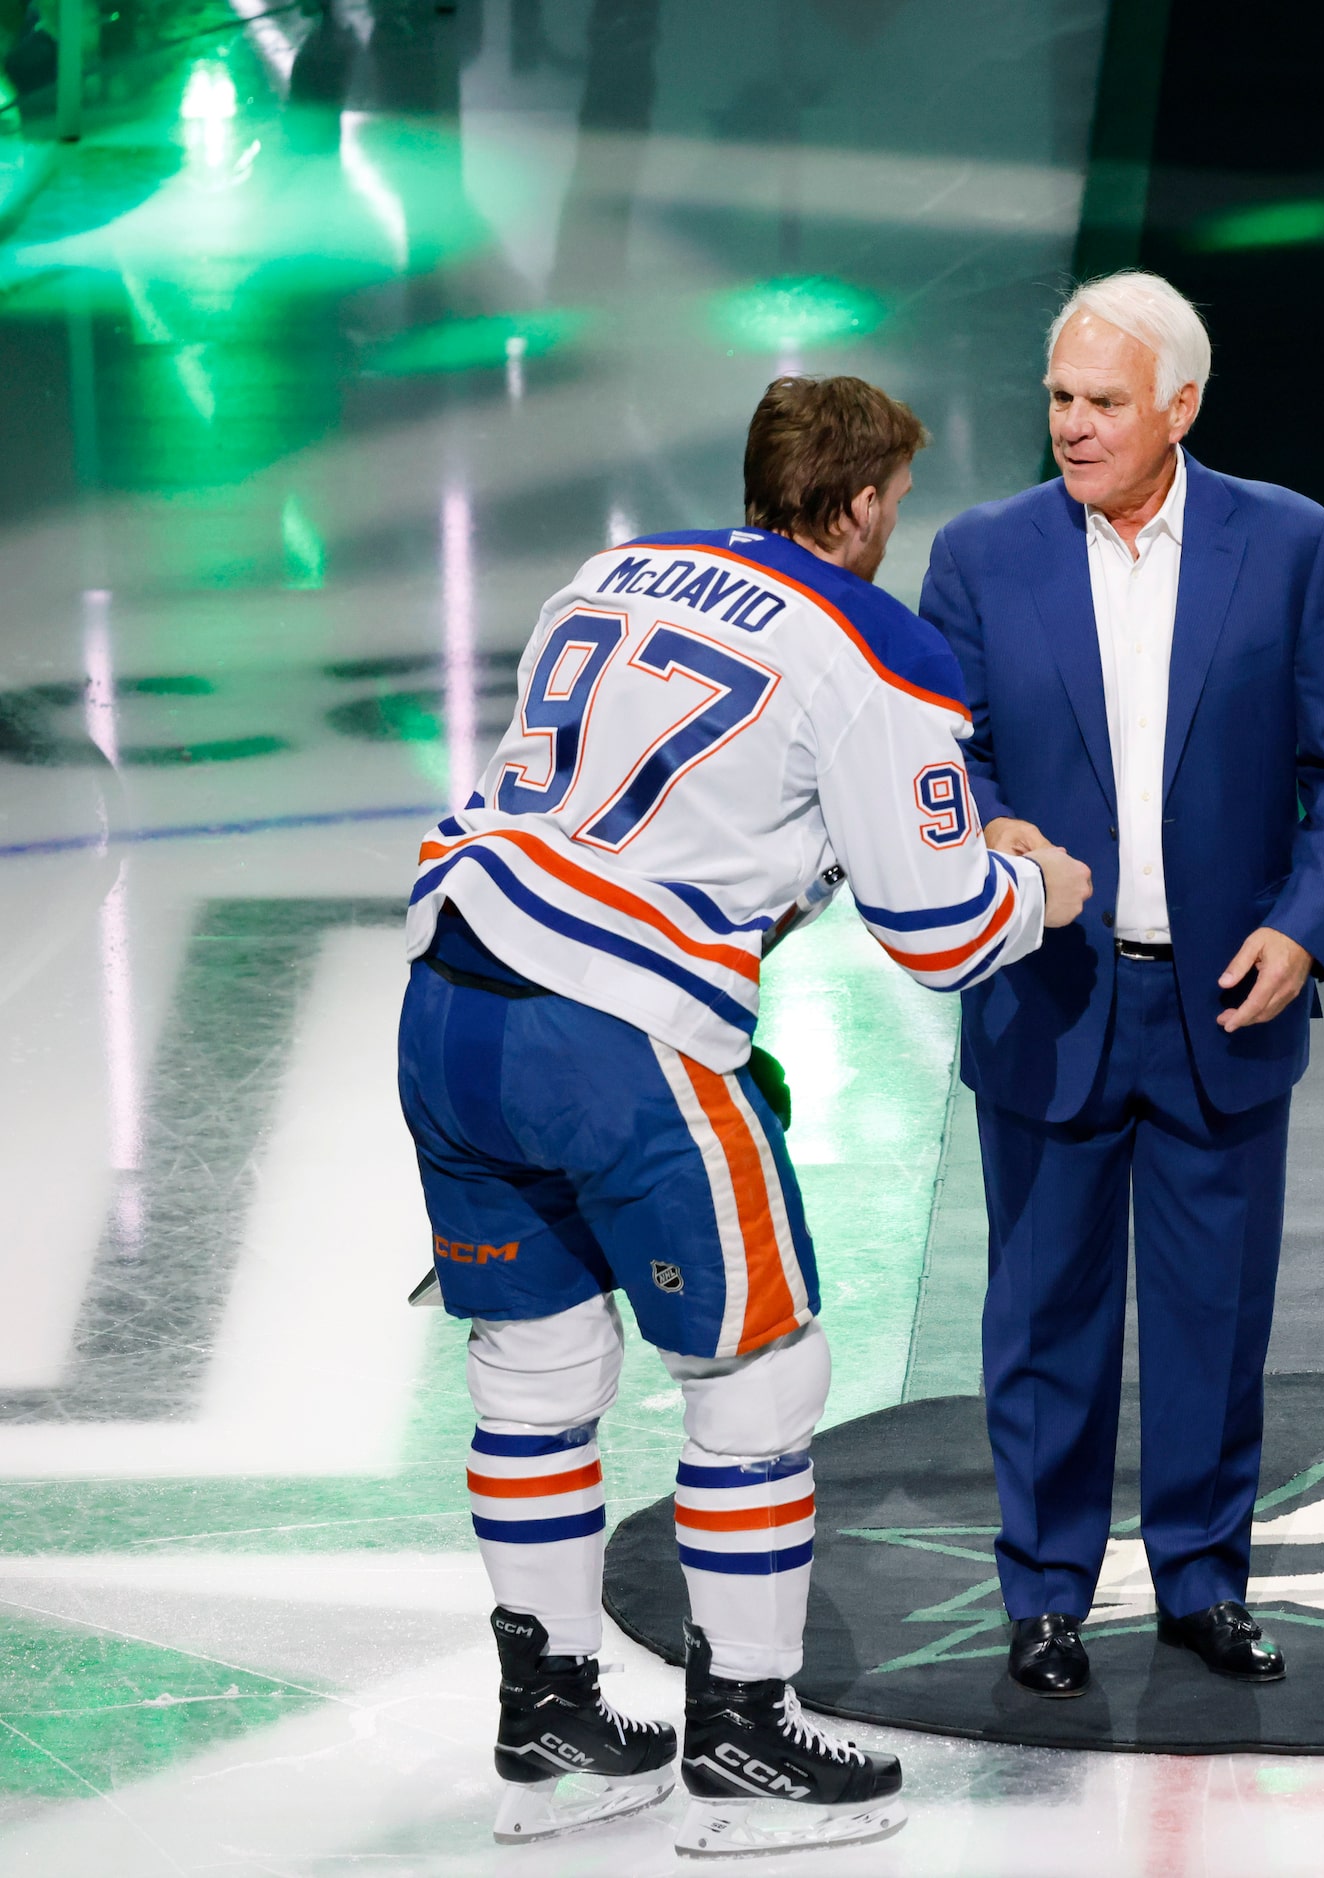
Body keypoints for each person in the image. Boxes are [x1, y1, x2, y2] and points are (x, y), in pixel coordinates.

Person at [400, 375, 1092, 1854]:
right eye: (893, 501)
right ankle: (744, 1743)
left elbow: (672, 797)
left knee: (532, 1371)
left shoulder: (610, 570)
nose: (895, 527)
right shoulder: (873, 637)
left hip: (449, 993)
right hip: (618, 1038)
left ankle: (553, 1719)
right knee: (761, 1379)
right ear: (856, 505)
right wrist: (1036, 884)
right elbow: (943, 936)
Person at [919, 273, 1324, 1699]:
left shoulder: (1293, 545)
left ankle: (1201, 1579)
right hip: (1049, 1001)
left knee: (1212, 1316)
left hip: (1226, 1003)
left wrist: (1306, 929)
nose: (1070, 424)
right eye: (1059, 398)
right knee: (1045, 1313)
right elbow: (953, 748)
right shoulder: (981, 553)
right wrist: (988, 827)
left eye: (1102, 402)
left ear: (1179, 406)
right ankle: (1047, 1594)